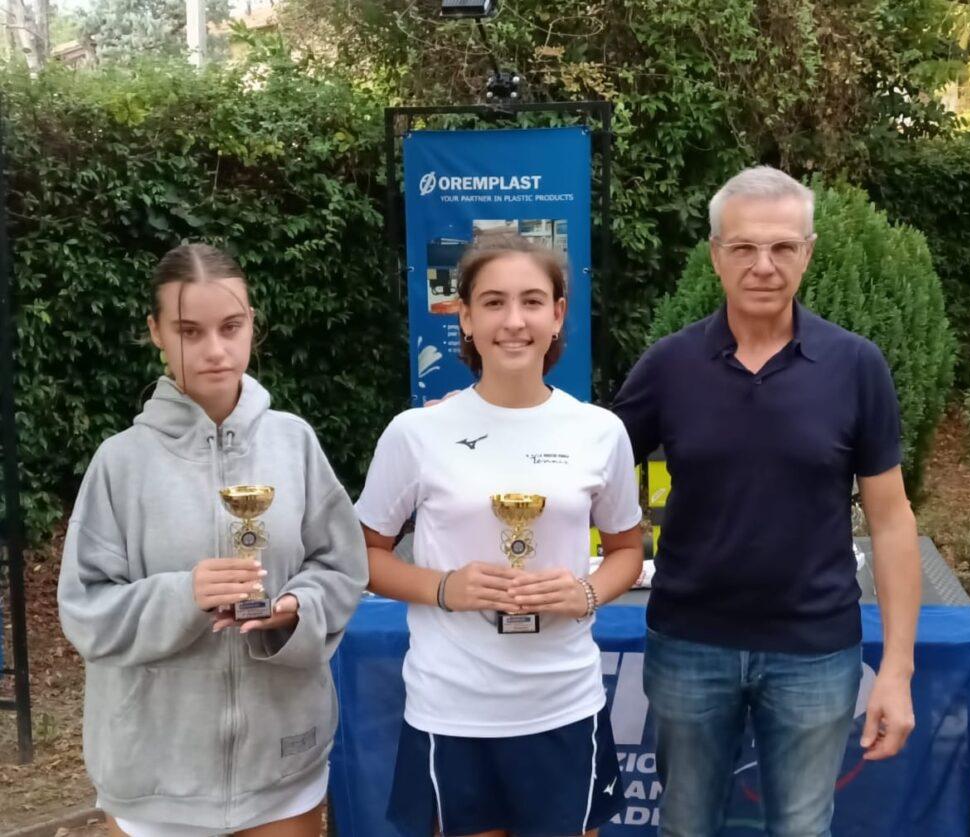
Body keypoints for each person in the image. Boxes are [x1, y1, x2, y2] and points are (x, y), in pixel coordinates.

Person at [612, 166, 921, 837]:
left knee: (803, 829)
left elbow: (893, 522)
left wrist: (897, 669)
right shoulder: (668, 366)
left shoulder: (856, 365)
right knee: (685, 827)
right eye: (745, 247)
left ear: (808, 252)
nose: (764, 265)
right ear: (716, 254)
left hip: (816, 650)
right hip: (689, 643)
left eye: (783, 247)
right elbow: (589, 472)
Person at [57, 243, 368, 837]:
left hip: (282, 766)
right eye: (189, 331)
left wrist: (295, 611)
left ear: (253, 323)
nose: (215, 350)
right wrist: (183, 596)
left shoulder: (294, 443)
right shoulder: (121, 462)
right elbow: (86, 611)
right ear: (155, 332)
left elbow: (341, 568)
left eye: (231, 326)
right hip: (157, 777)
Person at [356, 233, 644, 837]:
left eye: (532, 301)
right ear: (464, 315)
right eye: (492, 302)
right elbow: (361, 557)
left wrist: (586, 593)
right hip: (454, 708)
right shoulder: (415, 433)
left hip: (563, 704)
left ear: (559, 313)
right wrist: (444, 588)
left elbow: (625, 550)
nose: (514, 321)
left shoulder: (600, 431)